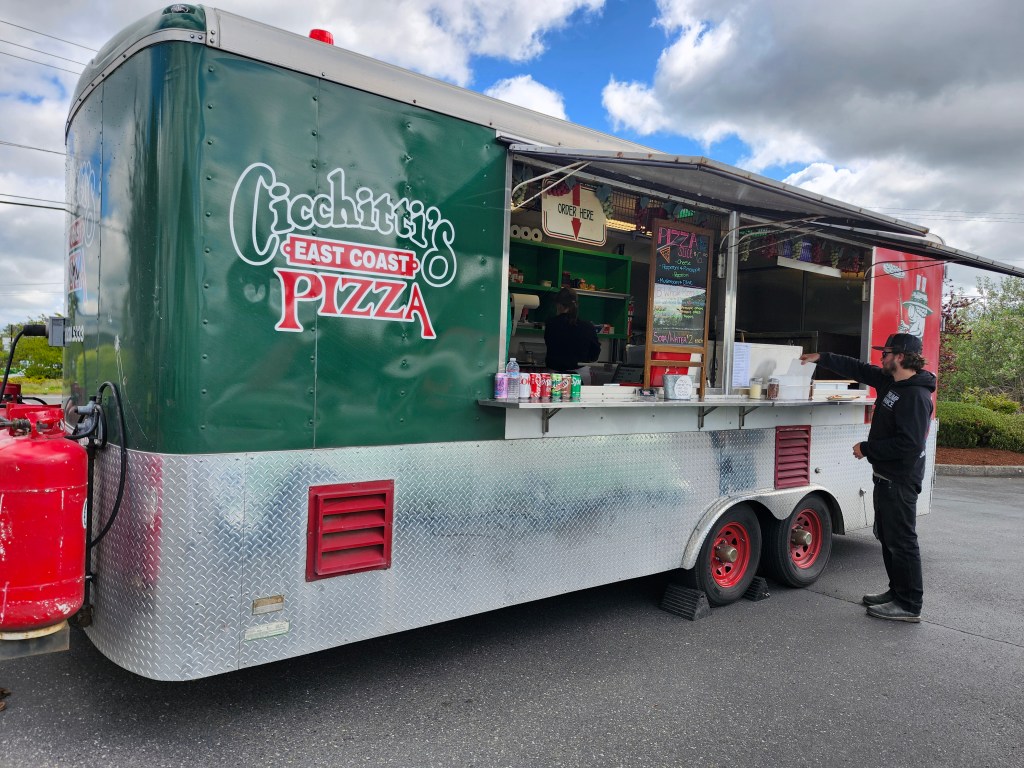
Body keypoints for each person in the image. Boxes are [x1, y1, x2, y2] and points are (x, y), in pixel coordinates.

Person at [800, 332, 935, 623]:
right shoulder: (891, 381)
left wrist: (867, 449)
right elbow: (858, 368)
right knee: (888, 538)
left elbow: (910, 445)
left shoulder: (915, 396)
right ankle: (896, 592)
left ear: (900, 357)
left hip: (900, 480)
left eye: (886, 353)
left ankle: (909, 604)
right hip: (885, 477)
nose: (881, 358)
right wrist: (821, 357)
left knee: (902, 542)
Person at [544, 287, 601, 375]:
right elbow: (595, 354)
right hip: (580, 374)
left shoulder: (551, 324)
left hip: (555, 374)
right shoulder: (588, 326)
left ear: (559, 305)